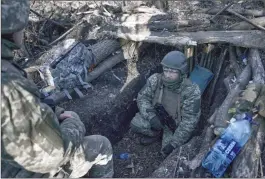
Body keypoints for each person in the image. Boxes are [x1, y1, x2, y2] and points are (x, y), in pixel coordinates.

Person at [1, 0, 113, 177]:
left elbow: (24, 112)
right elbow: (52, 156)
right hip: (22, 170)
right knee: (101, 145)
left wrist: (54, 112)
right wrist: (73, 123)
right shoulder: (9, 83)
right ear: (12, 29)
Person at [130, 51, 201, 157]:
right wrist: (151, 117)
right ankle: (156, 134)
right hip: (157, 117)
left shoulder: (191, 91)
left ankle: (164, 138)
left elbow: (189, 121)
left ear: (181, 72)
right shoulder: (156, 79)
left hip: (175, 126)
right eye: (166, 70)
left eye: (172, 71)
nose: (167, 75)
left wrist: (174, 143)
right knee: (135, 124)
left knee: (167, 152)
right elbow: (142, 98)